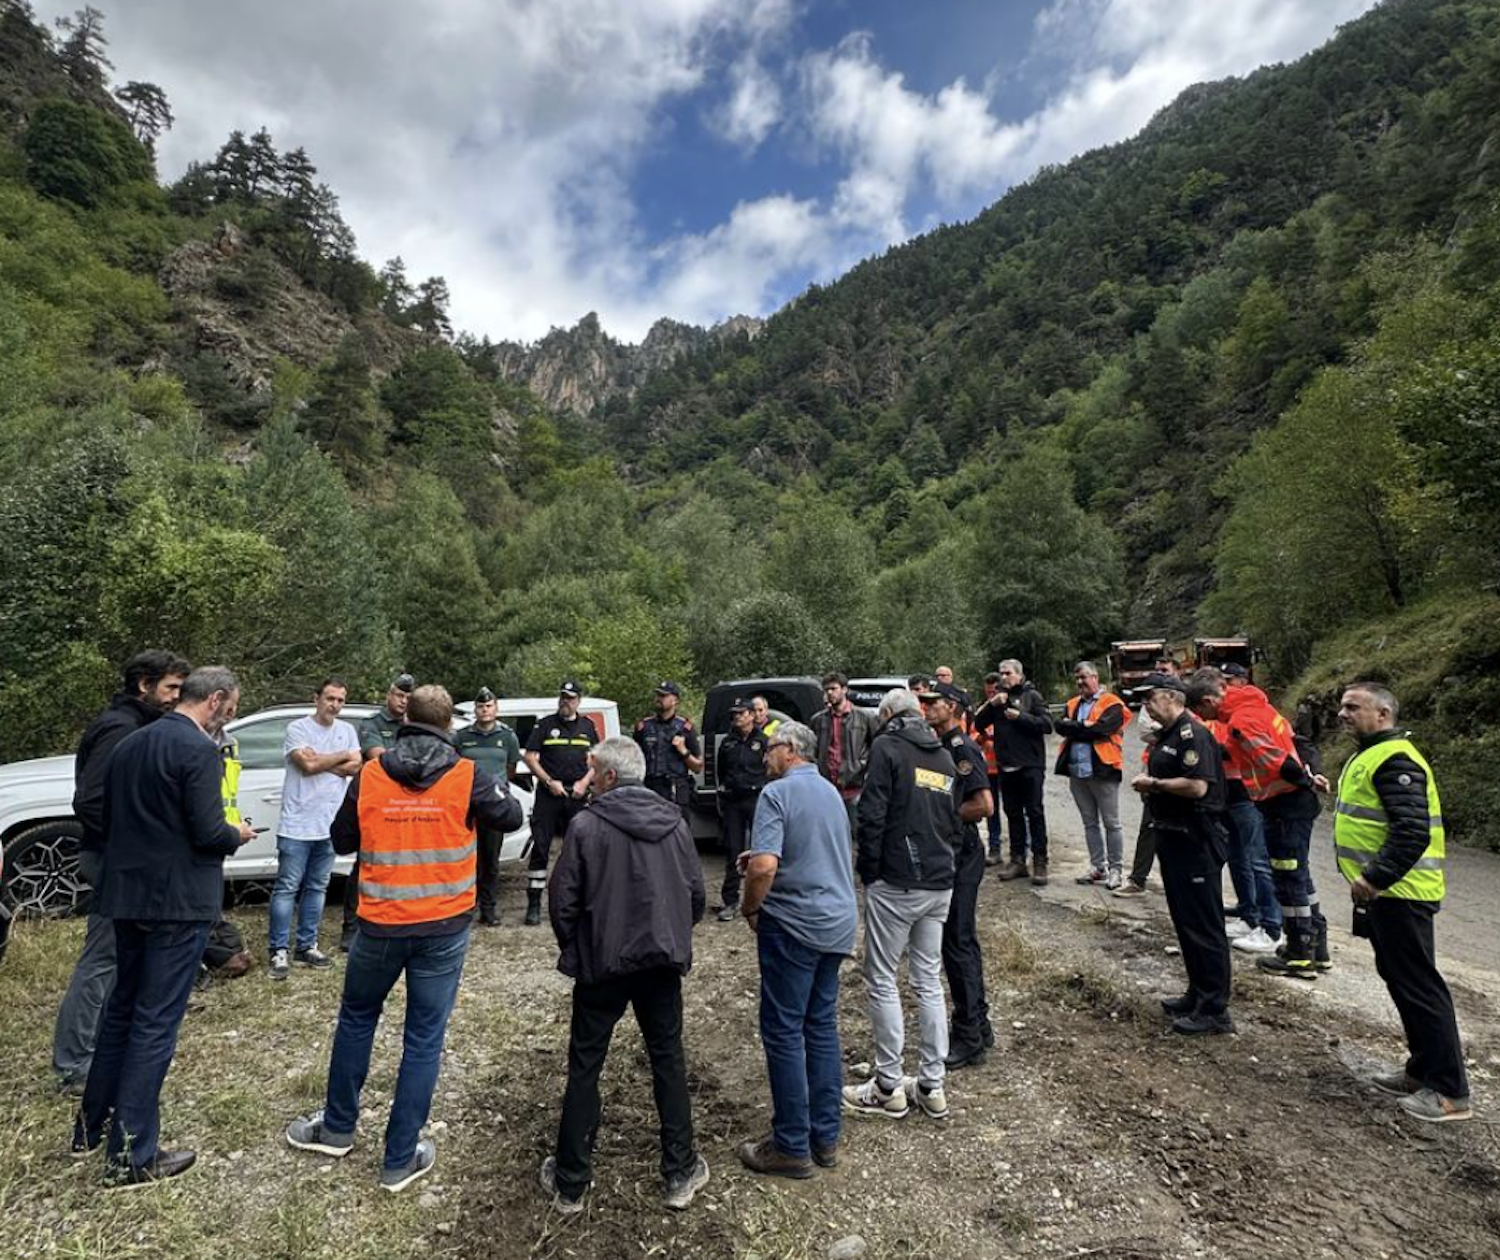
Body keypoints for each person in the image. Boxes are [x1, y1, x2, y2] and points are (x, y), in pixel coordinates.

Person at [286, 685, 521, 1193]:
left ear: (405, 718)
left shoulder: (371, 774)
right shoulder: (466, 775)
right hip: (443, 927)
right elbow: (513, 816)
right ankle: (399, 1158)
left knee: (356, 1020)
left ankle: (337, 1128)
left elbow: (342, 839)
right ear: (449, 726)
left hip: (380, 923)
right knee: (423, 1038)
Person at [73, 666, 254, 1187]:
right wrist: (234, 833)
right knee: (155, 1023)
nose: (231, 715)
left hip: (126, 894)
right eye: (233, 707)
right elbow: (205, 831)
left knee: (122, 1010)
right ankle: (131, 1154)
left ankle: (91, 1126)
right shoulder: (197, 749)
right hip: (176, 902)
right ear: (216, 701)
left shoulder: (132, 744)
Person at [541, 738, 708, 1212]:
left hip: (604, 966)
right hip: (658, 963)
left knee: (586, 1065)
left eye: (594, 772)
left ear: (610, 777)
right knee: (668, 1060)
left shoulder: (587, 826)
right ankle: (679, 1171)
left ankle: (571, 1182)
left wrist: (579, 948)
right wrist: (672, 935)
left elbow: (563, 902)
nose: (589, 779)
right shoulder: (673, 822)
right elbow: (695, 894)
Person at [1324, 683, 1470, 1122]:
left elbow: (1411, 830)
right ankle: (1421, 1071)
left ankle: (1449, 1092)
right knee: (1400, 979)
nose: (1342, 714)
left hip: (1400, 893)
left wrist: (1374, 876)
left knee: (1419, 985)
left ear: (1383, 714)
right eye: (1342, 706)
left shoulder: (1395, 759)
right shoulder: (1371, 752)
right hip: (1386, 895)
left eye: (1354, 707)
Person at [53, 649, 190, 1095]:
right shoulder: (120, 727)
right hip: (114, 859)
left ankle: (103, 1049)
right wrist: (130, 843)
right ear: (143, 685)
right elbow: (90, 800)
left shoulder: (141, 724)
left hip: (127, 859)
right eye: (169, 688)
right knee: (102, 959)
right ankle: (73, 1064)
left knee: (121, 958)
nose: (176, 697)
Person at [737, 721, 857, 1179]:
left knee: (784, 1030)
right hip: (837, 922)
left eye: (769, 749)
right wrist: (763, 860)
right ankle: (825, 1137)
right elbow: (815, 851)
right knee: (821, 1026)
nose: (765, 757)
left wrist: (751, 906)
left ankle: (790, 1145)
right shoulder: (830, 792)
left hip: (795, 925)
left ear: (789, 750)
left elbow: (766, 866)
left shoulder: (777, 794)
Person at [843, 689, 962, 1122]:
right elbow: (953, 821)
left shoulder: (887, 748)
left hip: (897, 881)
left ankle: (888, 1086)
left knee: (881, 978)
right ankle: (932, 1085)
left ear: (888, 715)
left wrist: (869, 870)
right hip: (938, 880)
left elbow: (871, 814)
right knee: (928, 979)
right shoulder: (943, 756)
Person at [1188, 668, 1325, 979]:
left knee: (1287, 877)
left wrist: (1304, 780)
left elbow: (1273, 760)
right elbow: (1296, 741)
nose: (1205, 719)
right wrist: (1312, 773)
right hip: (1294, 800)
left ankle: (1299, 953)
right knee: (1300, 875)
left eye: (1202, 712)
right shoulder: (1259, 706)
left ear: (1209, 701)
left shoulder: (1240, 721)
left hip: (1284, 802)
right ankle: (1318, 948)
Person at [1129, 674, 1235, 1036]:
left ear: (1172, 697)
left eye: (1149, 698)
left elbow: (1196, 785)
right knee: (1185, 921)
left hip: (1196, 838)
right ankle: (1198, 993)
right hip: (1173, 836)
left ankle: (1215, 1010)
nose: (1145, 705)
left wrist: (1153, 784)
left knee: (1204, 924)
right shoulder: (1169, 735)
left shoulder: (1193, 734)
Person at [919, 681, 995, 1069]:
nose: (926, 706)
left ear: (952, 707)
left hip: (962, 853)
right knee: (958, 941)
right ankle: (978, 1024)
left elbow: (983, 805)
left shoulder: (961, 748)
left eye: (933, 702)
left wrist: (940, 815)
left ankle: (970, 1036)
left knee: (958, 943)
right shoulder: (938, 746)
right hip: (949, 852)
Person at [270, 678, 361, 980]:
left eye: (340, 700)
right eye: (330, 698)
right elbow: (305, 766)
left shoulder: (347, 731)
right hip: (297, 823)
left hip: (329, 823)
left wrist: (320, 760)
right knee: (287, 887)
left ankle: (307, 944)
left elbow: (356, 765)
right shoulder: (298, 729)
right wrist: (337, 759)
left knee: (317, 887)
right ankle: (279, 948)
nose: (334, 705)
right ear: (316, 698)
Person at [341, 673, 414, 950]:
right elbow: (377, 756)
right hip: (377, 802)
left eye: (408, 697)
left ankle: (393, 920)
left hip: (407, 804)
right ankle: (351, 925)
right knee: (364, 865)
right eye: (399, 695)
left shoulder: (414, 723)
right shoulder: (373, 723)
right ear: (389, 694)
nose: (403, 701)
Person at [521, 681, 599, 926]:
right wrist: (548, 781)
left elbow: (597, 760)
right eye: (563, 697)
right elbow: (530, 757)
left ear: (578, 701)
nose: (565, 701)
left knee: (578, 849)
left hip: (576, 796)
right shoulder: (545, 725)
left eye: (570, 698)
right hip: (549, 795)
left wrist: (584, 784)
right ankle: (534, 904)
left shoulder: (587, 726)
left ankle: (573, 902)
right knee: (541, 848)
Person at [972, 659, 1054, 886]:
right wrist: (991, 704)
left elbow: (1047, 724)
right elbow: (978, 724)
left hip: (1030, 764)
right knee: (1013, 813)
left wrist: (1020, 716)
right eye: (1001, 673)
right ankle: (1018, 860)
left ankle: (1040, 861)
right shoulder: (998, 699)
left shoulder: (1032, 696)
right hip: (1006, 765)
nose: (1003, 677)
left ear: (1019, 675)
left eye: (1007, 673)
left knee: (1035, 813)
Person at [1054, 662, 1131, 889]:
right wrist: (1084, 725)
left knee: (1112, 823)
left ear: (1095, 677)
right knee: (1089, 823)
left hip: (1104, 769)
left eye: (1084, 677)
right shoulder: (1072, 703)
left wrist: (1076, 726)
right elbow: (1059, 725)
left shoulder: (1112, 703)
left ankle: (1116, 869)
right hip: (1077, 771)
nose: (1080, 682)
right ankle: (1098, 866)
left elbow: (1101, 730)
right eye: (1077, 679)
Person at [454, 686, 523, 926]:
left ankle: (488, 910)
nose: (485, 710)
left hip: (493, 806)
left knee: (490, 860)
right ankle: (464, 908)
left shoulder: (508, 737)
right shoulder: (461, 737)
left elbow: (511, 769)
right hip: (466, 805)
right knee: (464, 858)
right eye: (481, 706)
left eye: (489, 706)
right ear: (475, 709)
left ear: (496, 709)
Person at [1116, 656, 1179, 898]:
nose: (1160, 674)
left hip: (1178, 778)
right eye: (1157, 670)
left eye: (1164, 671)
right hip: (1153, 772)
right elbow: (1143, 730)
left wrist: (1162, 732)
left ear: (1175, 672)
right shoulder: (1149, 704)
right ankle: (1138, 878)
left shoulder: (1188, 702)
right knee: (1149, 826)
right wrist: (1164, 732)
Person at [714, 697, 767, 922]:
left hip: (757, 799)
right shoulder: (728, 743)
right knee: (732, 851)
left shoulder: (764, 741)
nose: (737, 717)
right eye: (734, 714)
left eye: (742, 713)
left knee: (762, 850)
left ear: (752, 715)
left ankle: (763, 899)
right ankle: (730, 901)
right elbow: (721, 771)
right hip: (734, 801)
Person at [811, 672, 877, 843]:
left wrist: (865, 771)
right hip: (826, 790)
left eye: (833, 689)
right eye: (827, 690)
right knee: (828, 838)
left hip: (854, 788)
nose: (830, 693)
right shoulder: (818, 720)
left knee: (855, 837)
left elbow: (877, 747)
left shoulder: (864, 717)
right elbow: (813, 751)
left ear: (845, 690)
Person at [634, 680, 703, 820]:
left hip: (675, 789)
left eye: (664, 696)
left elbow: (698, 767)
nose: (659, 699)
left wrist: (683, 751)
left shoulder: (685, 728)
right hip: (650, 788)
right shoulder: (644, 727)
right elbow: (633, 760)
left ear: (675, 700)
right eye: (658, 695)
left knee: (679, 834)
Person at [971, 673, 1004, 863]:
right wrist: (984, 737)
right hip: (988, 769)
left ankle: (1024, 849)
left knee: (1016, 810)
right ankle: (994, 848)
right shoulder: (983, 710)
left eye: (994, 691)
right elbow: (973, 736)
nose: (991, 694)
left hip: (1007, 766)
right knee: (992, 810)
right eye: (988, 691)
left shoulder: (1007, 707)